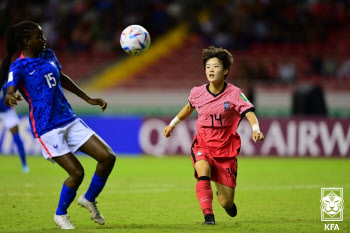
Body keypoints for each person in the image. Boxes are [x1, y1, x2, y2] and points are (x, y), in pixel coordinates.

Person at [0, 21, 116, 230]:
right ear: (27, 41)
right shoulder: (19, 66)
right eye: (39, 36)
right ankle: (60, 214)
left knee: (108, 157)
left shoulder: (49, 55)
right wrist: (10, 97)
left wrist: (88, 98)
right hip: (47, 127)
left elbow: (61, 78)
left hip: (68, 119)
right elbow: (10, 90)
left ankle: (89, 199)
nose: (44, 39)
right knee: (77, 173)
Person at [163, 46, 264, 225]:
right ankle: (208, 216)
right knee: (203, 172)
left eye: (216, 66)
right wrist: (172, 125)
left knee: (226, 202)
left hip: (225, 150)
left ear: (225, 70)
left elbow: (249, 112)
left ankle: (224, 200)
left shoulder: (234, 93)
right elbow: (188, 108)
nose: (211, 70)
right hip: (203, 145)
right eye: (208, 66)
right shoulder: (197, 92)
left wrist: (255, 129)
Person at [0, 84, 29, 173]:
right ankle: (24, 165)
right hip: (6, 110)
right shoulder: (6, 79)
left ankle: (24, 165)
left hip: (6, 111)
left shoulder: (6, 79)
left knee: (17, 138)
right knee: (17, 138)